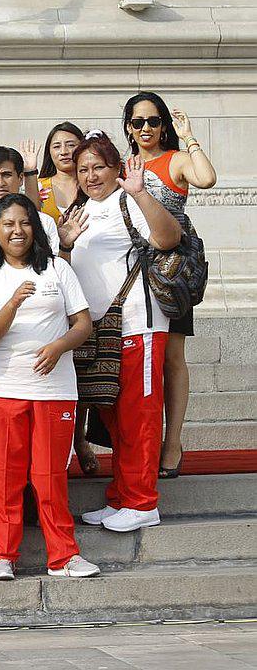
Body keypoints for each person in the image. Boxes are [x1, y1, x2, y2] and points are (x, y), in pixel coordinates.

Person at [0, 194, 100, 580]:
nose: (17, 231)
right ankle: (1, 556)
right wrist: (12, 302)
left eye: (25, 222)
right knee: (4, 477)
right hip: (3, 388)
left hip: (54, 390)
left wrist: (59, 346)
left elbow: (83, 324)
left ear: (36, 227)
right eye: (8, 224)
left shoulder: (58, 268)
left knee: (49, 477)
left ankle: (64, 556)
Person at [58, 136, 181, 533]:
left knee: (138, 416)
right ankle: (122, 497)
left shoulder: (129, 201)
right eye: (83, 169)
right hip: (99, 331)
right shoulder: (80, 210)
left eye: (99, 167)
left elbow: (169, 239)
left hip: (137, 325)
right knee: (114, 418)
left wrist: (141, 193)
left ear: (116, 168)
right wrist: (65, 244)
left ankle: (143, 502)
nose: (91, 176)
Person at [121, 92, 216, 481]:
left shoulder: (175, 159)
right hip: (130, 275)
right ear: (128, 128)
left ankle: (172, 442)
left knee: (172, 359)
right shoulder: (123, 164)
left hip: (170, 272)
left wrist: (188, 136)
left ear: (163, 126)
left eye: (153, 121)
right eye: (138, 122)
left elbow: (206, 179)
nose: (146, 128)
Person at [0, 147, 57, 264]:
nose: (0, 183)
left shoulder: (45, 222)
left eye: (6, 175)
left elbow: (54, 265)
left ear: (21, 178)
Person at [38, 122, 85, 222]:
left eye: (71, 145)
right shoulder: (37, 187)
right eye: (57, 147)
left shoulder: (93, 184)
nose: (64, 152)